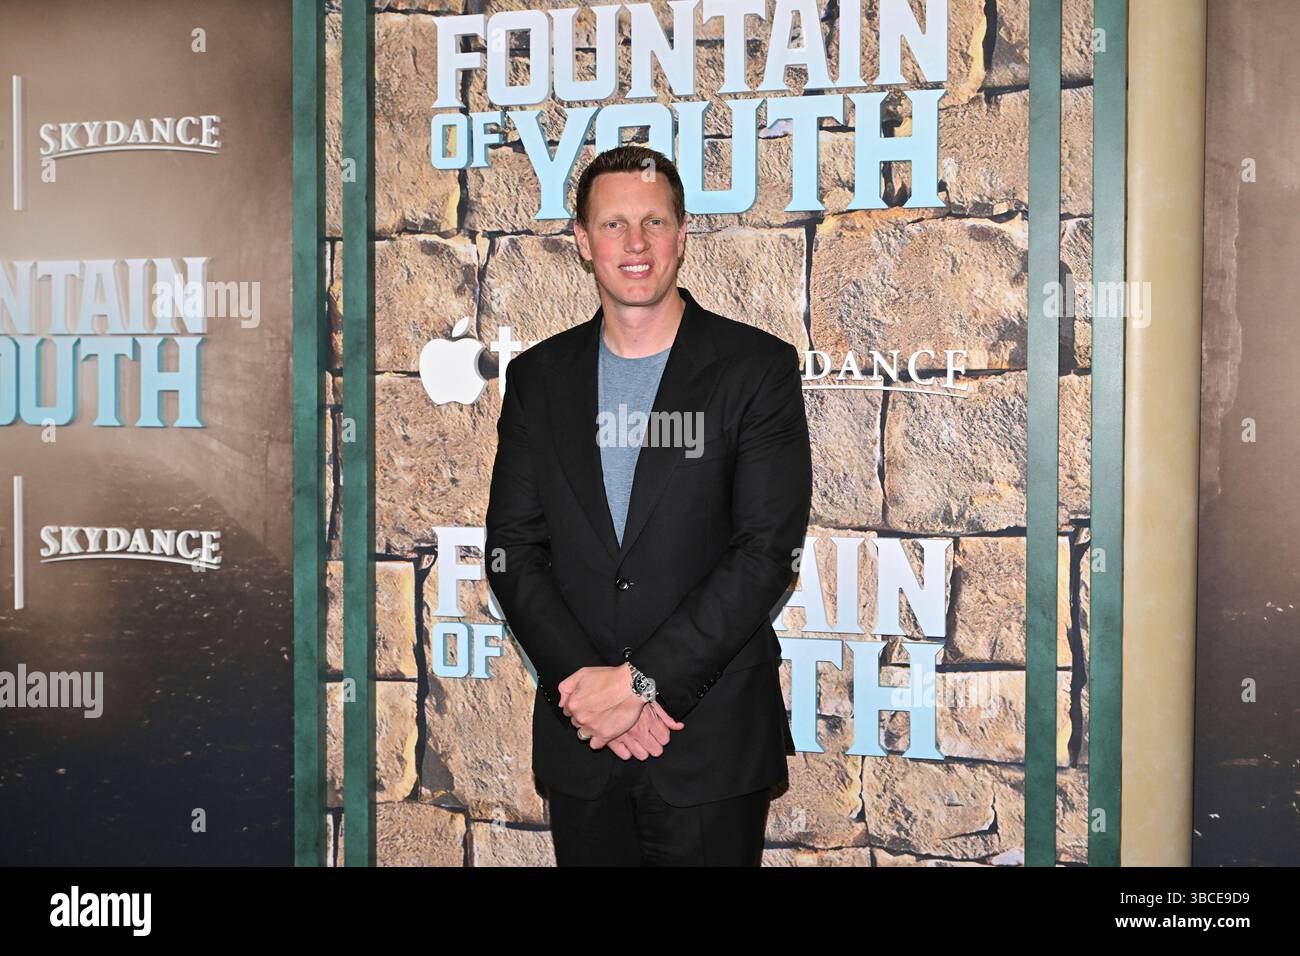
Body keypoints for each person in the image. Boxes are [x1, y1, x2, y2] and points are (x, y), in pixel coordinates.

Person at [484, 143, 812, 866]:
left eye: (655, 222)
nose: (635, 244)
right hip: (585, 748)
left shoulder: (756, 370)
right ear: (581, 240)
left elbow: (764, 553)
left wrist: (640, 687)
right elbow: (513, 550)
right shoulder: (538, 378)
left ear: (683, 235)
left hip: (709, 743)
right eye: (613, 224)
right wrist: (590, 695)